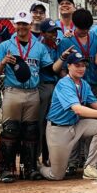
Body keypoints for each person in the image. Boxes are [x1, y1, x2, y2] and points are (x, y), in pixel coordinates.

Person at [0, 10, 54, 183]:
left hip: (33, 92)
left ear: (30, 25)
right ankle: (6, 168)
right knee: (10, 130)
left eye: (24, 24)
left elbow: (49, 69)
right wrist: (3, 62)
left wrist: (62, 61)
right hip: (13, 91)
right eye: (19, 23)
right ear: (14, 25)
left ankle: (30, 167)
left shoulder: (39, 46)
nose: (21, 27)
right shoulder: (5, 45)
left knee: (31, 131)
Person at [40, 52, 97, 181]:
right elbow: (78, 110)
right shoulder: (64, 83)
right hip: (58, 130)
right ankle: (40, 167)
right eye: (77, 65)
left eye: (83, 65)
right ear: (69, 66)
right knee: (57, 175)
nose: (81, 68)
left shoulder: (84, 84)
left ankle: (90, 168)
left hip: (75, 125)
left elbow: (96, 105)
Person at [58, 9, 97, 96]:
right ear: (75, 24)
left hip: (95, 85)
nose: (84, 31)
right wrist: (70, 85)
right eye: (81, 28)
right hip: (75, 87)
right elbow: (62, 69)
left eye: (87, 28)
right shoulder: (66, 41)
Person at [38, 19, 62, 166]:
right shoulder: (41, 47)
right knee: (43, 124)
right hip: (44, 86)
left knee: (54, 123)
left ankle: (51, 157)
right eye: (50, 32)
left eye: (55, 31)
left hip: (56, 86)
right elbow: (51, 69)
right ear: (43, 33)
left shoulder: (55, 47)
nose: (53, 34)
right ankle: (42, 157)